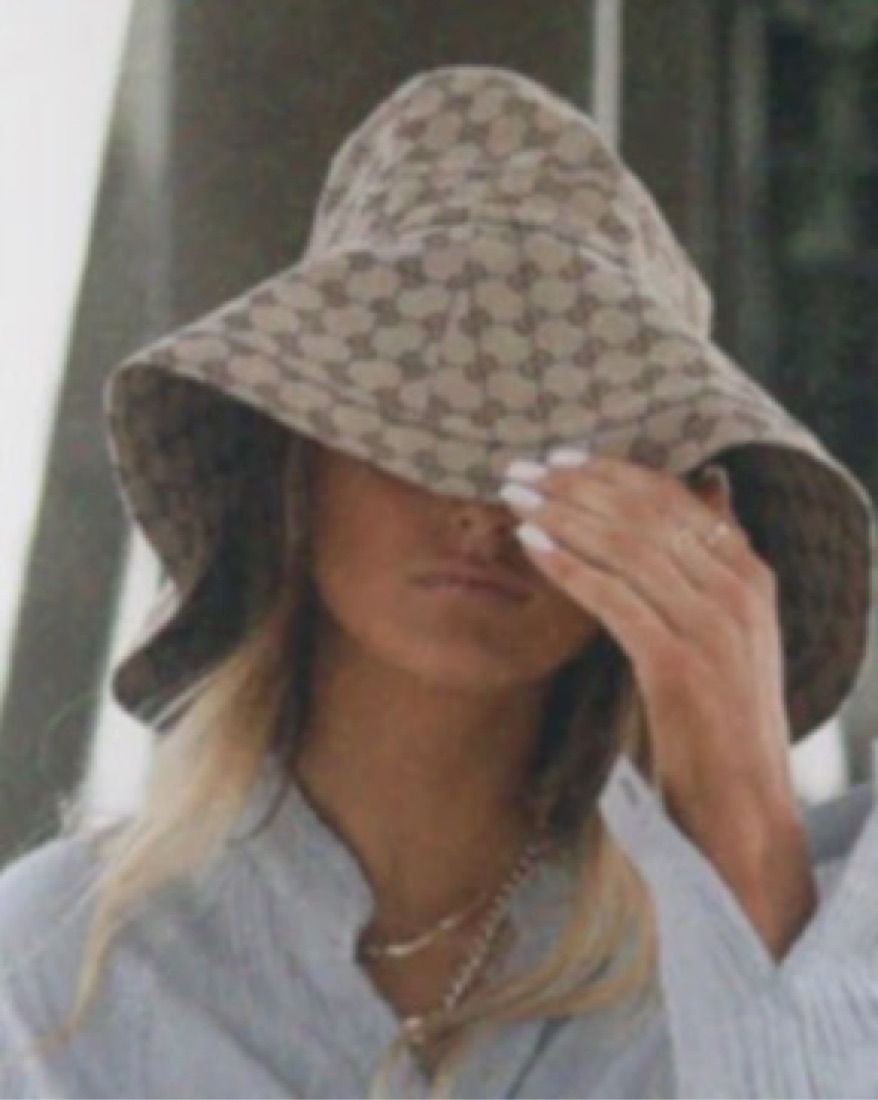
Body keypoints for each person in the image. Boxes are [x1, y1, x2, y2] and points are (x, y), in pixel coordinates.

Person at [0, 64, 876, 1099]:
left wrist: (738, 806)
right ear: (300, 463)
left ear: (674, 517)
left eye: (558, 450)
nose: (480, 504)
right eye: (414, 423)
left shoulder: (806, 953)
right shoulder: (53, 970)